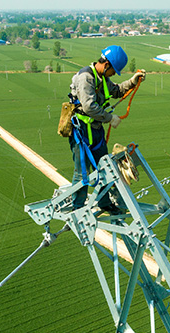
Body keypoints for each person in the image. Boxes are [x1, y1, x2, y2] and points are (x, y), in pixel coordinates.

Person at [68, 45, 145, 213]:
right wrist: (110, 118)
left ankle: (103, 202)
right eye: (113, 71)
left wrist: (132, 81)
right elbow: (88, 107)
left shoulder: (101, 79)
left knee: (103, 168)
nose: (113, 74)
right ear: (107, 64)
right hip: (81, 131)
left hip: (95, 129)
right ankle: (77, 208)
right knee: (82, 172)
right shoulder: (86, 78)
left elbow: (116, 91)